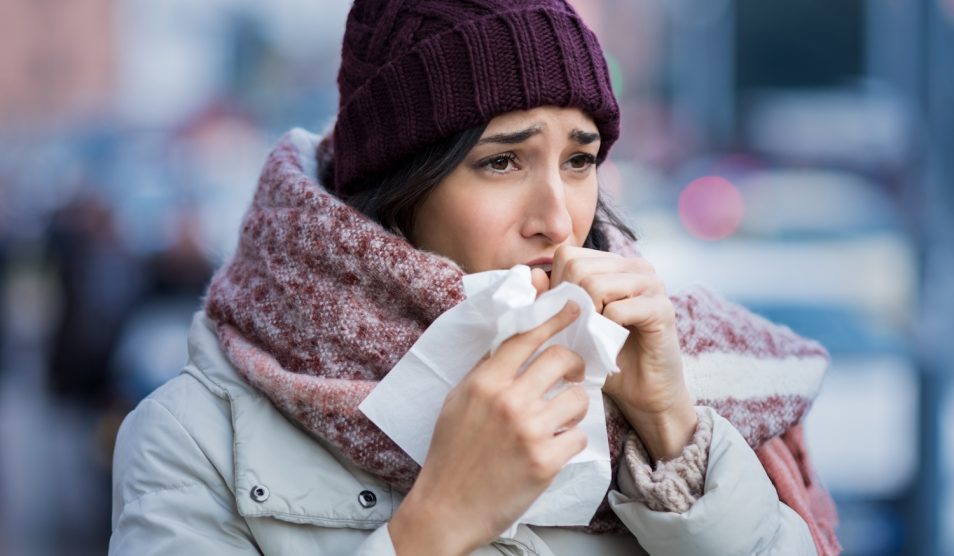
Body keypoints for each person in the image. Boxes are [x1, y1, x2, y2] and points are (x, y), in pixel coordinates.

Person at [109, 1, 841, 554]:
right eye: (501, 161)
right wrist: (434, 524)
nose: (558, 218)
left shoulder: (666, 372)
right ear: (400, 185)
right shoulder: (196, 437)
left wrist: (672, 434)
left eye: (579, 159)